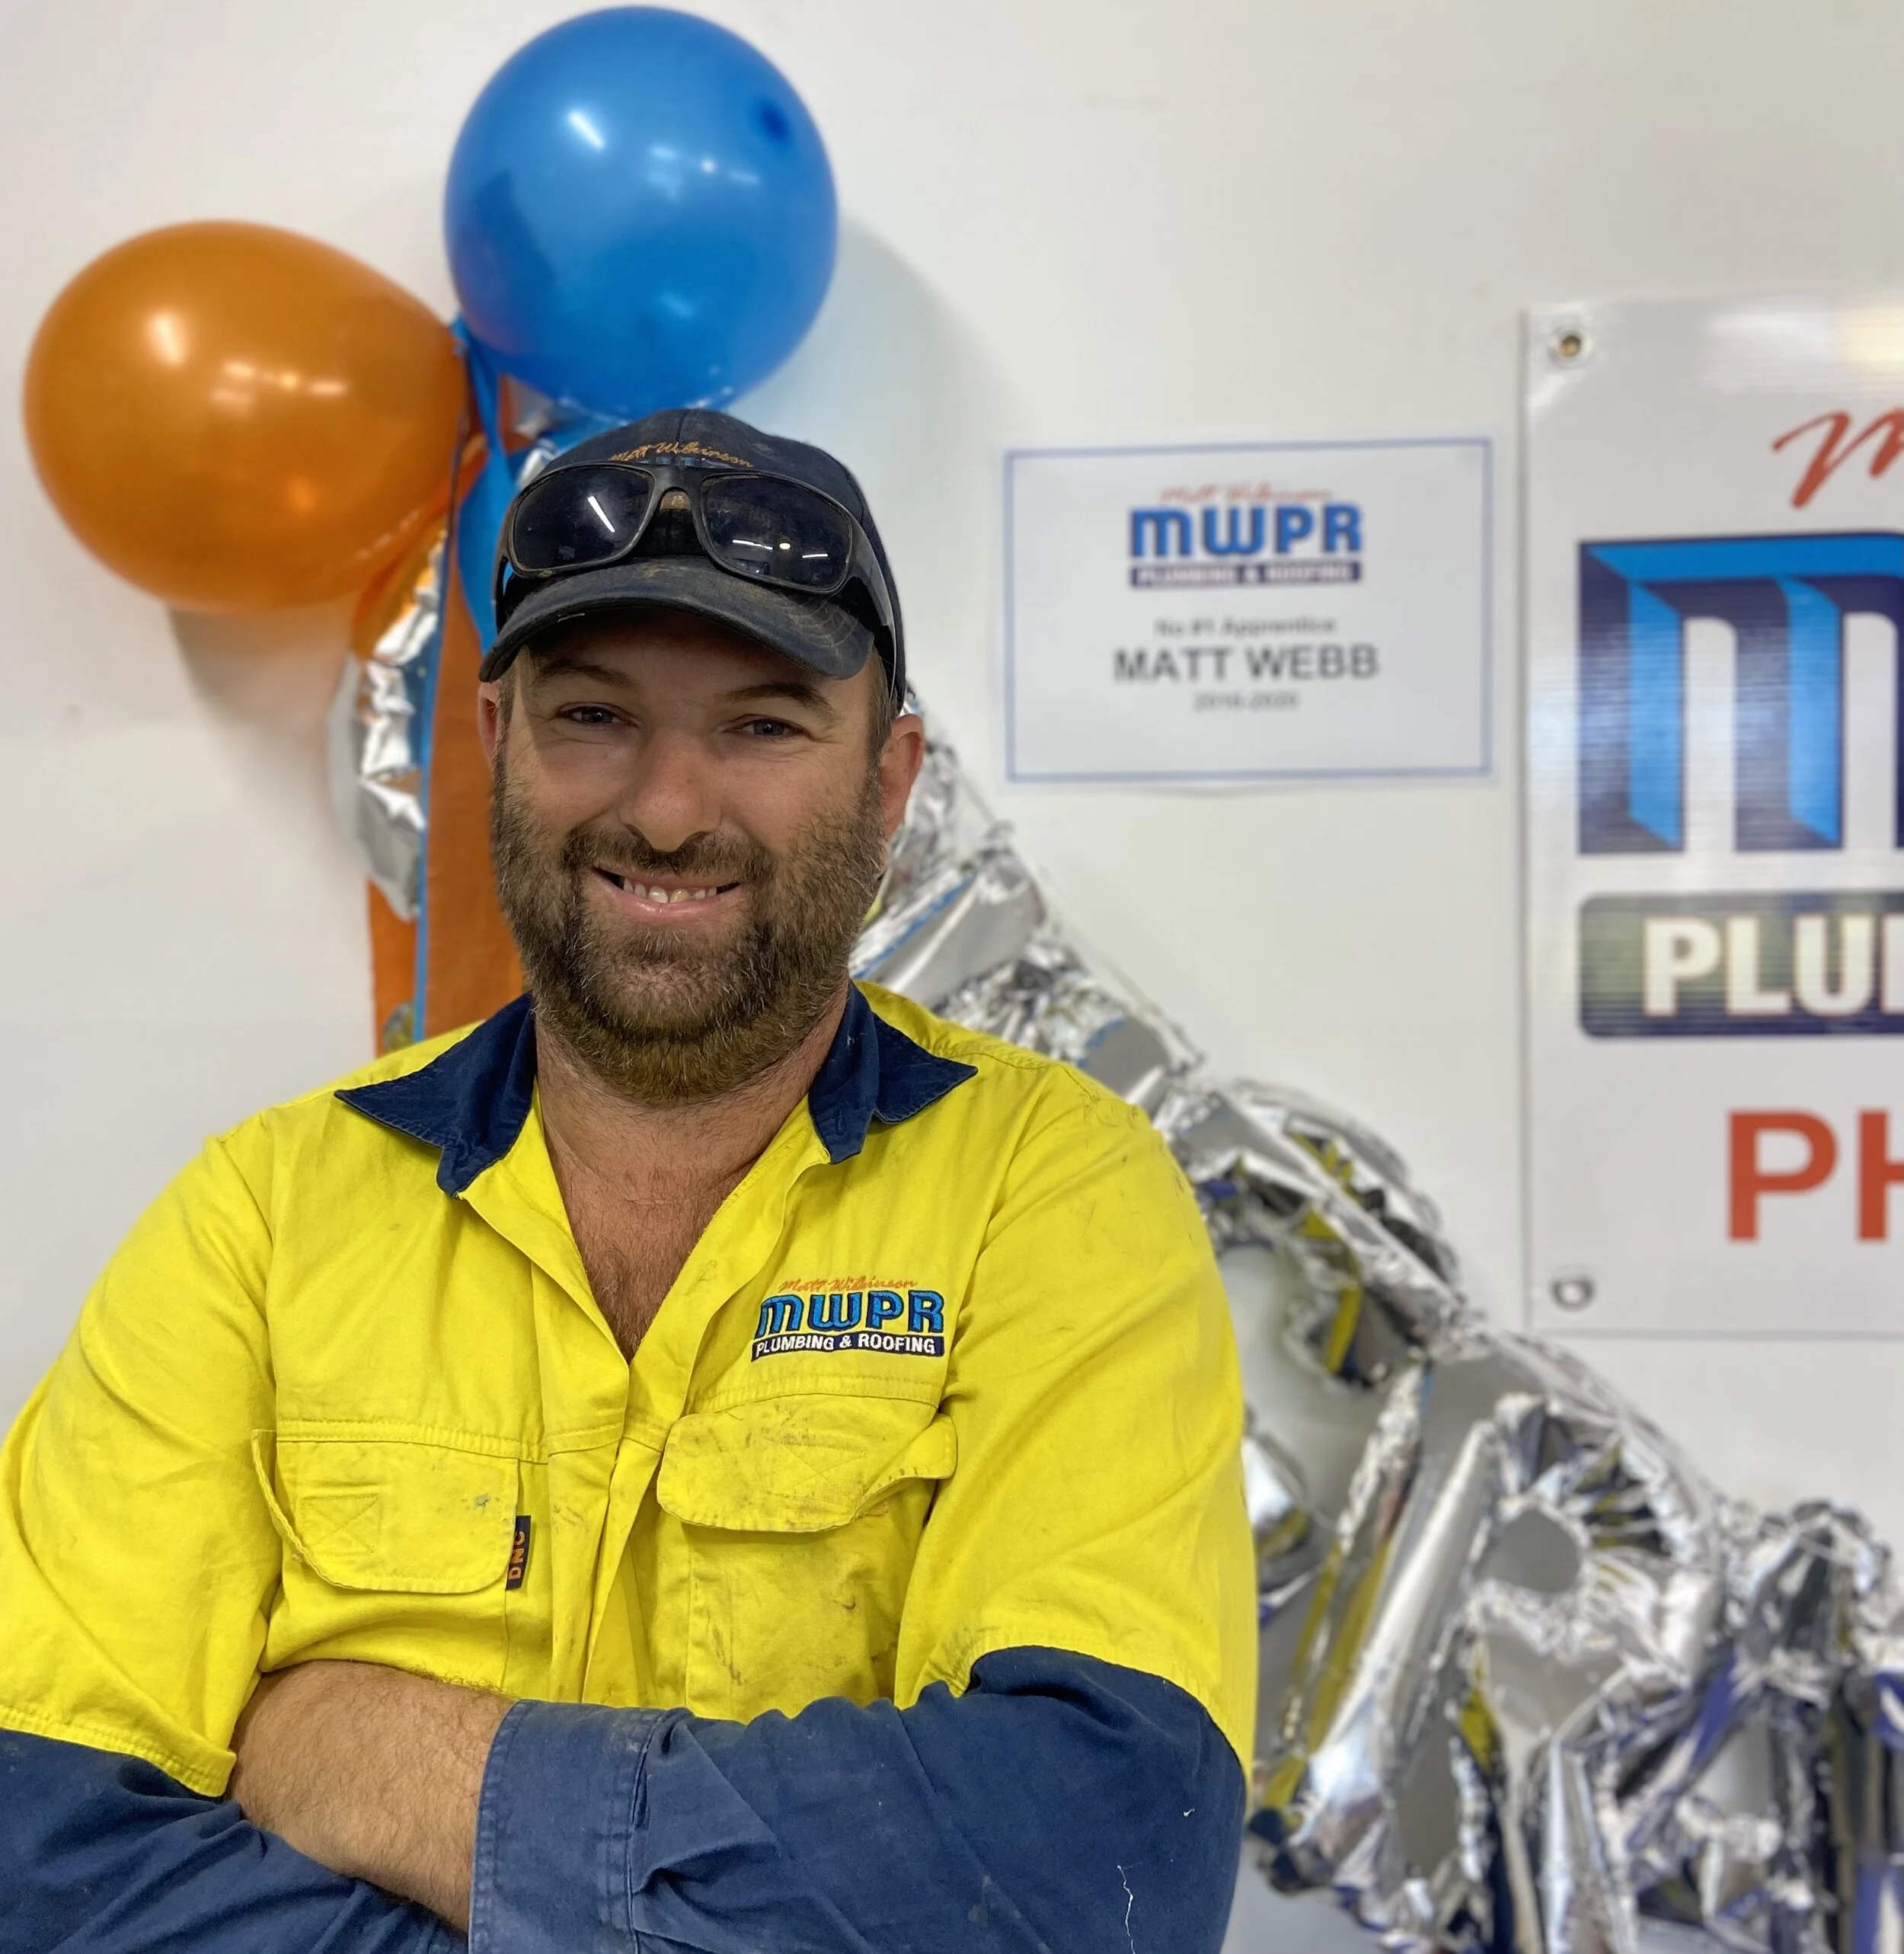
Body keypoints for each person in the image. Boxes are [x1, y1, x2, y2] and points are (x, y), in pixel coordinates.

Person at [0, 408, 1256, 1954]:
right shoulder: (262, 1218)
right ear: (493, 742)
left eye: (763, 726)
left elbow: (1095, 1867)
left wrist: (381, 1758)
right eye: (594, 714)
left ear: (889, 781)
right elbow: (38, 1852)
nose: (666, 810)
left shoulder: (1052, 1199)